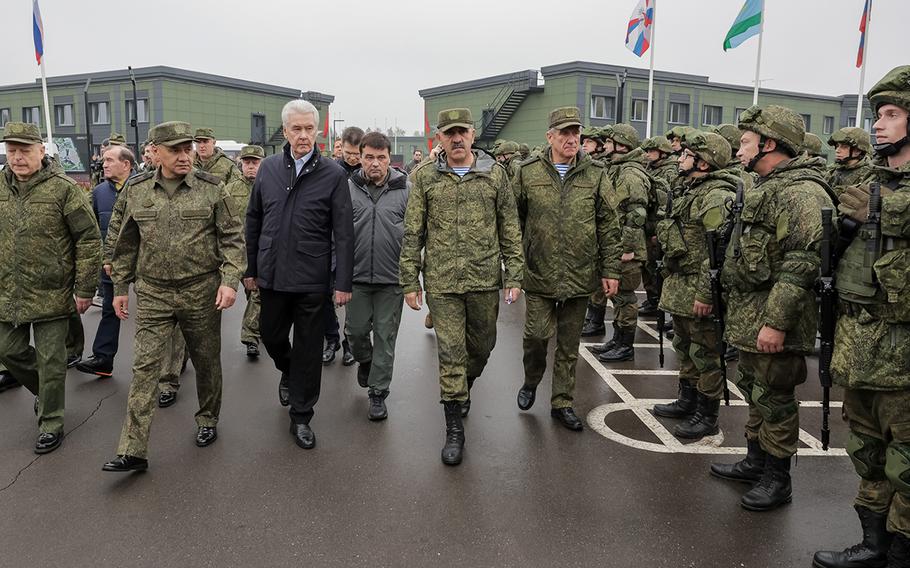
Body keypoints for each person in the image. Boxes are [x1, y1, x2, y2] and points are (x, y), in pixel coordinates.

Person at [708, 105, 833, 511]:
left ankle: (778, 479)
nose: (739, 149)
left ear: (770, 143)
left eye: (746, 142)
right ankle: (755, 460)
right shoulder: (766, 186)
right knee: (755, 390)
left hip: (774, 320)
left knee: (776, 398)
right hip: (750, 315)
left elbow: (801, 264)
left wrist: (777, 323)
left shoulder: (800, 193)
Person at [101, 121, 245, 472]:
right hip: (153, 292)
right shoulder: (136, 190)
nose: (184, 156)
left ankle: (208, 418)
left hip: (201, 290)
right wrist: (120, 288)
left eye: (188, 149)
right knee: (145, 367)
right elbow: (125, 242)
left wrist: (230, 280)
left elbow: (232, 238)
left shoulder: (212, 188)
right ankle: (133, 449)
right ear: (156, 152)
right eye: (175, 150)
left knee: (206, 359)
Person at [813, 66, 910, 568]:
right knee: (868, 453)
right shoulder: (867, 182)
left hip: (903, 352)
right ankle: (874, 545)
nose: (879, 124)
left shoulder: (883, 195)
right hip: (860, 343)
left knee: (907, 464)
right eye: (878, 115)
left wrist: (881, 211)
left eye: (892, 115)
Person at [399, 108, 523, 465]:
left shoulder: (495, 175)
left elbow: (510, 228)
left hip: (484, 279)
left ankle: (464, 384)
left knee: (482, 346)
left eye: (462, 132)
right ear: (439, 138)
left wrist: (514, 275)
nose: (456, 139)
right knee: (451, 352)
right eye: (449, 133)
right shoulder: (424, 177)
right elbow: (413, 233)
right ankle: (454, 426)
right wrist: (410, 280)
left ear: (472, 135)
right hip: (442, 282)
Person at [246, 100, 353, 450]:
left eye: (309, 129)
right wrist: (251, 268)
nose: (303, 135)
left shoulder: (333, 175)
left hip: (312, 278)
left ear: (318, 131)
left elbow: (343, 232)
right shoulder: (269, 169)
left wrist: (342, 283)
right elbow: (254, 220)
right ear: (286, 131)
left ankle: (302, 415)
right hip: (273, 274)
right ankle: (288, 371)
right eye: (297, 129)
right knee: (271, 335)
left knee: (309, 351)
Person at [513, 107, 621, 431]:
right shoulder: (527, 172)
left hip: (579, 272)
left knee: (569, 345)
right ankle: (532, 379)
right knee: (535, 336)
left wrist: (611, 269)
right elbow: (512, 221)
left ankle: (562, 402)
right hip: (539, 271)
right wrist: (515, 267)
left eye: (576, 133)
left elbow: (609, 224)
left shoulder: (596, 174)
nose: (572, 138)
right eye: (564, 133)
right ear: (550, 137)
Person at [0, 122, 101, 454]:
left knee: (52, 361)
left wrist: (85, 288)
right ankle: (47, 394)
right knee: (8, 351)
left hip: (52, 292)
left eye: (24, 150)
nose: (17, 158)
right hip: (7, 291)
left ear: (42, 151)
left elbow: (88, 239)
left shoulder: (64, 189)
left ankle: (51, 422)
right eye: (11, 151)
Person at [651, 132, 738, 439]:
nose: (679, 158)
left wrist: (705, 293)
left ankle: (707, 413)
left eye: (686, 155)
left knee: (706, 353)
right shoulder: (691, 190)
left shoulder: (716, 196)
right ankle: (687, 400)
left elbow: (717, 252)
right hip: (681, 284)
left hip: (698, 287)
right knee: (686, 347)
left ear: (704, 162)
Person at [345, 132, 410, 421]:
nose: (375, 163)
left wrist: (412, 277)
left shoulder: (405, 188)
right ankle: (365, 360)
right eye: (369, 157)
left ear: (389, 159)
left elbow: (416, 234)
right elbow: (336, 232)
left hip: (391, 279)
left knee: (385, 335)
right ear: (360, 158)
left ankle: (378, 393)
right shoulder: (347, 188)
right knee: (356, 332)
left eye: (381, 158)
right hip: (356, 276)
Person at [75, 145, 136, 377]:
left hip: (145, 262)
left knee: (158, 314)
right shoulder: (99, 192)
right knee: (111, 309)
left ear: (126, 164)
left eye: (109, 160)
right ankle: (103, 358)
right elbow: (89, 228)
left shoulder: (145, 187)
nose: (104, 164)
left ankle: (170, 364)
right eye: (103, 160)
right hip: (111, 262)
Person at [595, 124, 651, 363]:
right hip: (618, 245)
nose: (605, 146)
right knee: (618, 297)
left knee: (626, 298)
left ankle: (625, 346)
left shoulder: (630, 174)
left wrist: (626, 248)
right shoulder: (618, 170)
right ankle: (617, 339)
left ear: (622, 145)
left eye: (609, 142)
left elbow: (636, 215)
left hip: (627, 249)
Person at [322, 126, 364, 365]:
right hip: (329, 241)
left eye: (356, 153)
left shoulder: (367, 172)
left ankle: (349, 343)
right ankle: (331, 339)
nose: (352, 158)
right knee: (322, 295)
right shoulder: (329, 170)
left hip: (356, 243)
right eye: (348, 152)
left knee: (353, 297)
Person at [225, 145, 265, 359]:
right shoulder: (230, 189)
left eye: (255, 162)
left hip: (258, 251)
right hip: (234, 251)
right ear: (241, 163)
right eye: (247, 162)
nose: (250, 167)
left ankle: (250, 337)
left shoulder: (269, 186)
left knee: (257, 293)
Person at [825, 126, 874, 197]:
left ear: (858, 151)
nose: (837, 150)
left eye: (844, 147)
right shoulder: (832, 172)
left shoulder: (868, 176)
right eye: (837, 146)